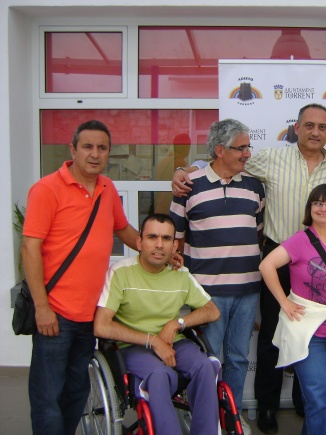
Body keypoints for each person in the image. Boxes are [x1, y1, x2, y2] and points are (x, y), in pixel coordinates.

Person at [172, 103, 326, 434]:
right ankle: (267, 406)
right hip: (276, 259)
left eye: (322, 127)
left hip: (317, 266)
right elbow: (223, 161)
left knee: (314, 332)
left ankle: (305, 403)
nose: (314, 132)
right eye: (308, 125)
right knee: (271, 335)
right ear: (296, 128)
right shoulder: (271, 158)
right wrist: (187, 168)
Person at [21, 120, 141, 434]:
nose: (95, 154)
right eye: (87, 146)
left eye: (102, 148)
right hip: (55, 314)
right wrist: (41, 307)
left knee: (77, 390)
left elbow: (123, 229)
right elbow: (30, 249)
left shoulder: (107, 188)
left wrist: (155, 248)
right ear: (72, 150)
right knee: (48, 395)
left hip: (91, 315)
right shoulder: (46, 189)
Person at [170, 118, 265, 435]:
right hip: (207, 294)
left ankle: (231, 417)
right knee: (209, 361)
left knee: (237, 359)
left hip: (248, 290)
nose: (247, 154)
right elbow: (175, 242)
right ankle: (207, 420)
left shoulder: (255, 187)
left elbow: (257, 233)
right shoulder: (189, 186)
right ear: (220, 150)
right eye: (241, 148)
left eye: (248, 146)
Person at [94, 213, 221, 435]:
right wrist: (152, 340)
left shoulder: (180, 275)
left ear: (174, 246)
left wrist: (177, 323)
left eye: (166, 238)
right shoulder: (121, 273)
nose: (159, 244)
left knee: (204, 366)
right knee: (160, 375)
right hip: (133, 346)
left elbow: (212, 311)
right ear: (139, 242)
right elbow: (101, 326)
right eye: (152, 237)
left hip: (174, 342)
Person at [259, 184, 326, 435]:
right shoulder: (300, 240)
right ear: (310, 208)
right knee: (318, 400)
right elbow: (266, 265)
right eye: (318, 203)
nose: (323, 208)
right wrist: (284, 302)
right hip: (309, 333)